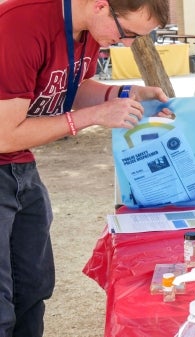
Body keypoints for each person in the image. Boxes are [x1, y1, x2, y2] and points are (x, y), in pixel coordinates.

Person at [0, 0, 170, 335]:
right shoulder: (20, 24)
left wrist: (130, 93)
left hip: (19, 164)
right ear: (100, 6)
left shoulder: (88, 29)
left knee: (32, 287)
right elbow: (4, 134)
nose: (127, 44)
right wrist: (92, 118)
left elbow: (69, 88)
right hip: (9, 149)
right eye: (128, 33)